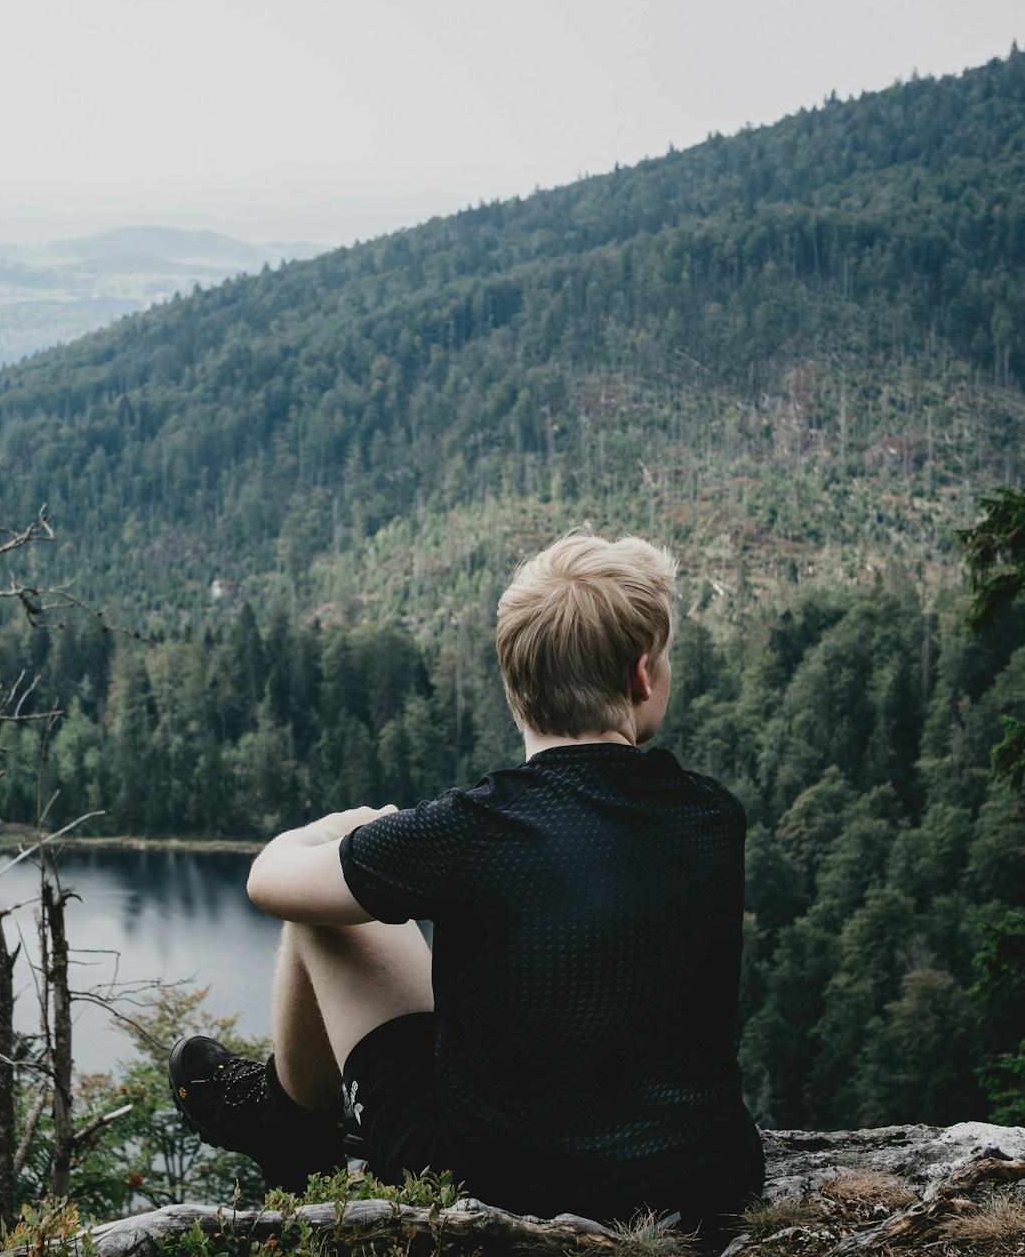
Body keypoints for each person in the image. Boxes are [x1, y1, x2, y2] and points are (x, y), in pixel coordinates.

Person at [168, 529, 764, 1247]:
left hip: (497, 1192)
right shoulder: (711, 817)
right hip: (703, 1190)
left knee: (326, 917)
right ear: (642, 676)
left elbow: (270, 882)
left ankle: (287, 1124)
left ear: (515, 687)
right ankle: (287, 1118)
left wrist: (347, 829)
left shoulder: (469, 830)